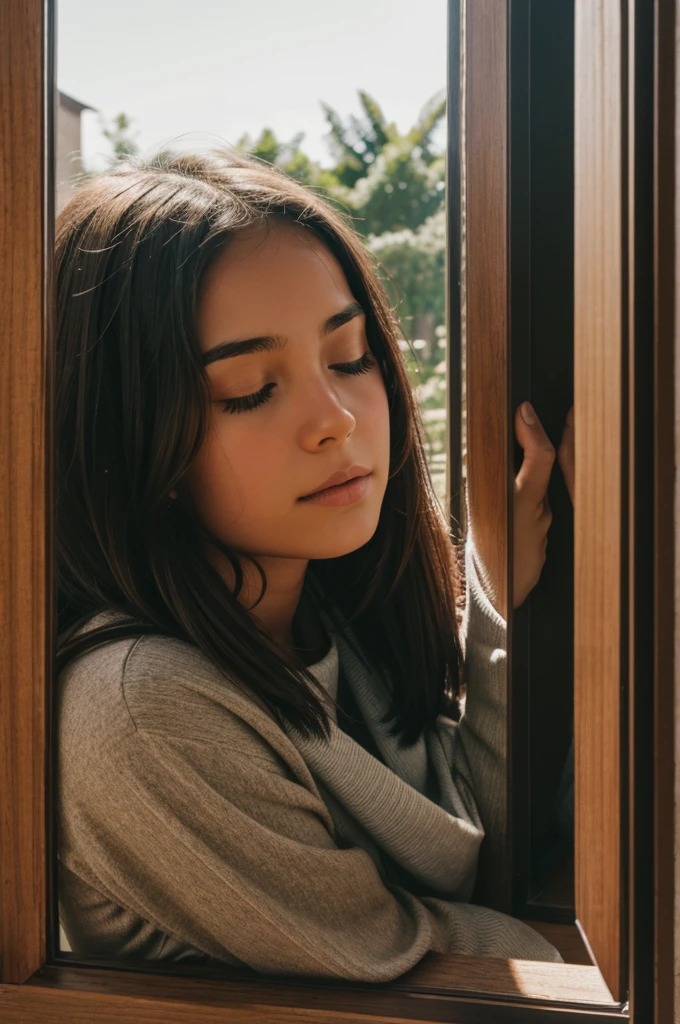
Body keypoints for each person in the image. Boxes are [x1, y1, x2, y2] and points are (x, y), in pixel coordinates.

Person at [55, 149, 575, 982]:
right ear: (124, 435)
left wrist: (494, 589)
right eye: (251, 389)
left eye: (349, 357)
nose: (335, 419)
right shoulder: (138, 706)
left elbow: (470, 844)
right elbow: (419, 958)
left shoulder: (320, 609)